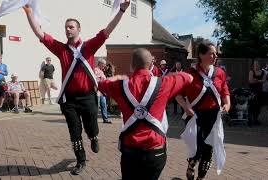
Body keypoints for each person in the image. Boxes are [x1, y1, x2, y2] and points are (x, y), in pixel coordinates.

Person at [23, 1, 130, 175]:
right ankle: (80, 161)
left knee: (91, 127)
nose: (68, 30)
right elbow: (39, 33)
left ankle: (94, 137)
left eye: (71, 27)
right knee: (74, 131)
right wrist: (28, 11)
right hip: (69, 99)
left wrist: (122, 10)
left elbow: (108, 30)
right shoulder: (61, 49)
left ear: (79, 30)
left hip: (88, 96)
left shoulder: (89, 46)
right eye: (66, 27)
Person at [98, 48, 193, 180]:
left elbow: (102, 84)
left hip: (130, 151)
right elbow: (188, 77)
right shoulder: (163, 83)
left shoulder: (121, 86)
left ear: (132, 65)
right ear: (151, 65)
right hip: (155, 151)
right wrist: (167, 77)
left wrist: (119, 77)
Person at [176, 41, 230, 180]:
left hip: (213, 116)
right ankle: (192, 162)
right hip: (194, 115)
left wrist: (227, 104)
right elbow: (177, 94)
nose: (215, 56)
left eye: (215, 53)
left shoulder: (219, 73)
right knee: (197, 147)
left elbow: (225, 92)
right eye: (211, 53)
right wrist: (185, 107)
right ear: (201, 55)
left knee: (209, 148)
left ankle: (200, 178)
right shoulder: (189, 74)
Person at [248, 60, 265, 126]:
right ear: (253, 65)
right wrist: (259, 81)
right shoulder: (251, 72)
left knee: (258, 106)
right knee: (252, 105)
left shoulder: (263, 72)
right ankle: (250, 119)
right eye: (255, 64)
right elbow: (251, 81)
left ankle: (256, 119)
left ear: (259, 65)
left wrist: (256, 80)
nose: (256, 65)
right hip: (252, 91)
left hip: (260, 91)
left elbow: (264, 80)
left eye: (257, 64)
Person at [95, 58, 111, 123]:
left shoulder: (102, 71)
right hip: (97, 90)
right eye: (104, 64)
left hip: (102, 91)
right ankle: (94, 119)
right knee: (97, 105)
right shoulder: (95, 70)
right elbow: (95, 78)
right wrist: (100, 79)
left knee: (103, 104)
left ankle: (105, 119)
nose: (105, 65)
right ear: (100, 64)